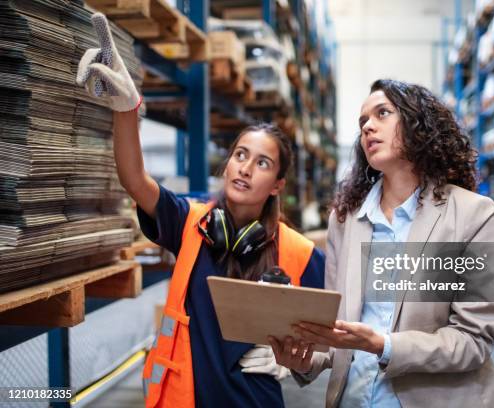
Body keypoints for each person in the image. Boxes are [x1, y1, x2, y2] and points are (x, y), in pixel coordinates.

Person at [76, 13, 324, 408]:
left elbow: (334, 334)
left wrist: (305, 362)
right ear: (227, 165)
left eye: (262, 163)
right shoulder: (190, 222)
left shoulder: (299, 252)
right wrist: (127, 109)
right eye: (240, 155)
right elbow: (135, 180)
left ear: (278, 184)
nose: (244, 167)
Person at [269, 79, 494, 407]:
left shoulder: (473, 215)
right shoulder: (345, 220)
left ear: (417, 124)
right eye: (363, 121)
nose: (368, 125)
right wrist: (303, 361)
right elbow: (336, 335)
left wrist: (384, 344)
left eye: (383, 113)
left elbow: (473, 341)